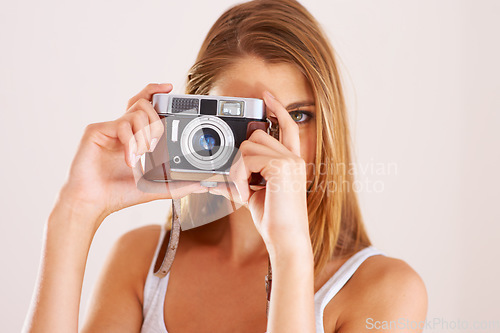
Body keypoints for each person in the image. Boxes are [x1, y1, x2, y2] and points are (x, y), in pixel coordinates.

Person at [23, 0, 427, 332]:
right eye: (240, 119)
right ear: (193, 119)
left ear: (328, 125)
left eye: (298, 116)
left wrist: (290, 254)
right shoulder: (142, 261)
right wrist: (75, 210)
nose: (268, 142)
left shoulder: (386, 291)